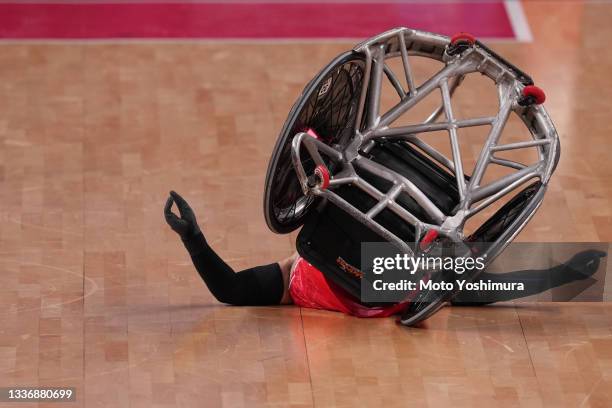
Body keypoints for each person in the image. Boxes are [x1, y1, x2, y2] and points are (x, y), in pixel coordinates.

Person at [164, 191, 606, 317]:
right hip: (395, 280)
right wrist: (560, 274)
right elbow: (493, 289)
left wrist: (562, 274)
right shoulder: (415, 283)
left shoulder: (296, 279)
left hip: (388, 275)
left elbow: (231, 290)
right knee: (472, 286)